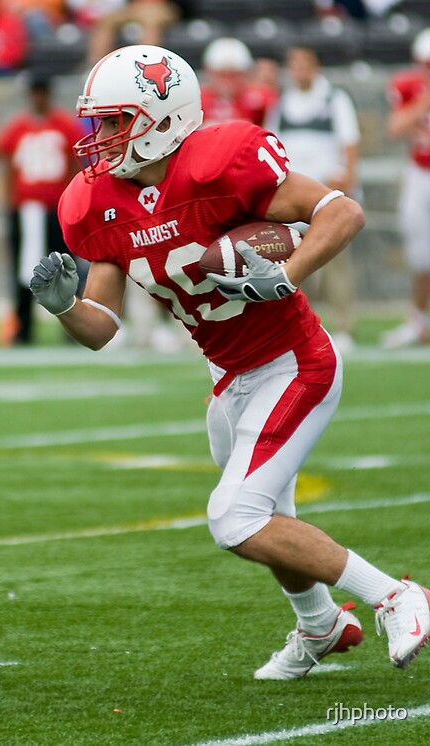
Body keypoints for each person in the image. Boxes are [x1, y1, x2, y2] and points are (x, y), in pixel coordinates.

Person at [30, 44, 430, 679]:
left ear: (162, 117)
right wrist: (62, 306)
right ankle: (322, 625)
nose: (99, 138)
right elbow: (100, 330)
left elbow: (341, 212)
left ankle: (396, 596)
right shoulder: (97, 202)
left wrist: (288, 273)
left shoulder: (221, 163)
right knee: (270, 517)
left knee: (235, 517)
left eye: (113, 121)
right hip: (228, 377)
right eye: (96, 122)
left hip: (295, 363)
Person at [265, 46, 361, 354]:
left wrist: (344, 184)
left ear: (315, 66)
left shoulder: (334, 99)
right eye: (294, 65)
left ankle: (343, 327)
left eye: (304, 64)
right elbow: (271, 147)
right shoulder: (282, 104)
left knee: (335, 264)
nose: (299, 71)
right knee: (294, 262)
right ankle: (297, 328)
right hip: (293, 199)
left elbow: (349, 148)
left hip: (326, 196)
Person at [0, 72, 84, 345]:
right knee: (24, 270)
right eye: (34, 92)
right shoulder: (18, 128)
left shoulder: (64, 126)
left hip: (56, 209)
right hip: (26, 209)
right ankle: (23, 328)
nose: (38, 97)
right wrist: (10, 203)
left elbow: (74, 165)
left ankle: (74, 328)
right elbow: (5, 163)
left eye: (42, 92)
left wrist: (72, 203)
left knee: (66, 269)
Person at [381, 28, 430, 349]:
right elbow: (395, 128)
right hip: (421, 173)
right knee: (420, 251)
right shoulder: (412, 88)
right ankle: (418, 321)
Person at [200, 37, 278, 128]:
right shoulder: (198, 100)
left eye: (233, 75)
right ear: (209, 73)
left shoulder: (261, 98)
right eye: (222, 75)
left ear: (246, 74)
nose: (227, 81)